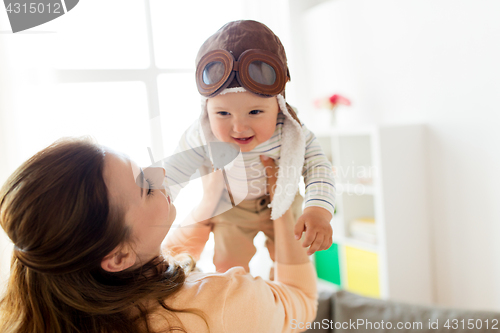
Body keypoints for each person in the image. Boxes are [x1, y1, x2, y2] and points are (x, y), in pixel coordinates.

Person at [0, 138, 317, 333]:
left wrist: (210, 203)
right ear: (118, 257)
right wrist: (284, 203)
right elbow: (299, 303)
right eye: (146, 186)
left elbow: (154, 262)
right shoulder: (222, 306)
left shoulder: (24, 312)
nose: (161, 174)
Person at [163, 20, 336, 273]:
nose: (239, 127)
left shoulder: (290, 131)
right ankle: (238, 302)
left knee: (293, 262)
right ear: (206, 110)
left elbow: (318, 167)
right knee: (227, 267)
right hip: (232, 207)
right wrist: (156, 198)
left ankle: (284, 298)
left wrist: (319, 210)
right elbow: (175, 168)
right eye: (223, 113)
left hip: (284, 200)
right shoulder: (202, 132)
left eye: (255, 111)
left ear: (278, 106)